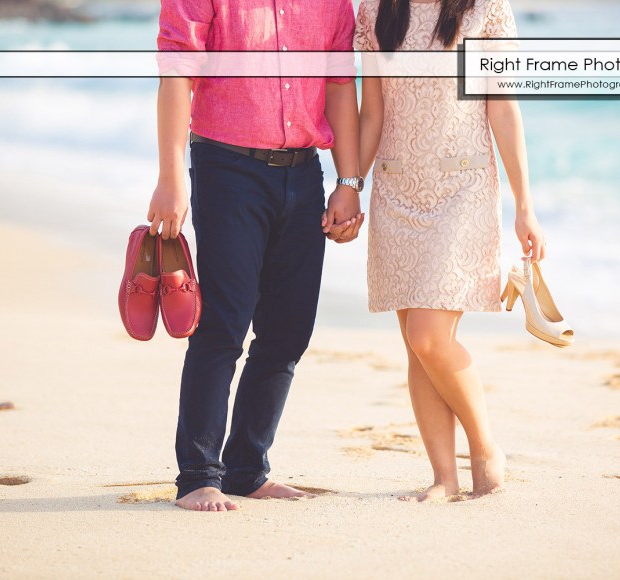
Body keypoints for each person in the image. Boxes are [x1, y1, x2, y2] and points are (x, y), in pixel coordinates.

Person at [153, 0, 365, 512]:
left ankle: (247, 469)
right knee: (224, 324)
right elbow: (177, 73)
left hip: (303, 174)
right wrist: (171, 176)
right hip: (226, 168)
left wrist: (349, 181)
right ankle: (198, 475)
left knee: (289, 330)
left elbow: (339, 85)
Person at [356, 0, 546, 501]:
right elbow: (371, 112)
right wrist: (351, 184)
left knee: (428, 336)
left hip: (462, 189)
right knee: (417, 347)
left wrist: (524, 204)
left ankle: (485, 449)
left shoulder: (485, 9)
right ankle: (444, 479)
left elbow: (502, 105)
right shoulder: (375, 10)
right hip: (396, 192)